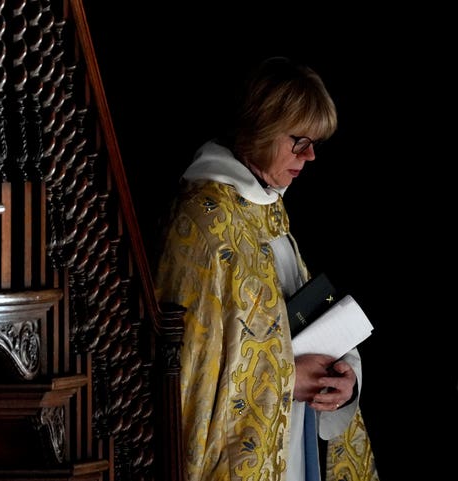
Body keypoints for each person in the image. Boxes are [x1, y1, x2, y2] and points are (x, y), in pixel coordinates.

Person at [152, 56, 379, 481]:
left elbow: (300, 323)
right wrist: (288, 377)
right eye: (298, 141)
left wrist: (343, 376)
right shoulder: (203, 223)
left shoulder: (268, 212)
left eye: (314, 143)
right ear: (260, 128)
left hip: (296, 437)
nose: (310, 156)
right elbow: (187, 373)